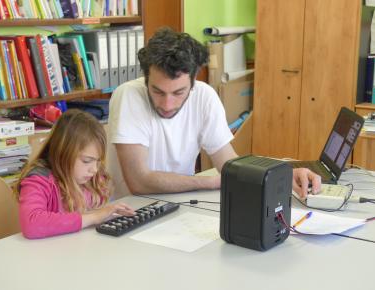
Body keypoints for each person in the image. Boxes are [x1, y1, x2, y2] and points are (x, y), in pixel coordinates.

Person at [108, 27, 320, 198]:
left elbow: (229, 163)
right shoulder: (128, 96)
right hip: (131, 212)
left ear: (193, 81)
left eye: (179, 92)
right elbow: (139, 182)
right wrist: (208, 182)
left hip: (178, 206)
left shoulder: (204, 96)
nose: (167, 104)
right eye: (157, 91)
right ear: (146, 79)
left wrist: (282, 176)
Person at [16, 109, 135, 239]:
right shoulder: (39, 180)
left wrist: (106, 213)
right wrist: (95, 217)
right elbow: (32, 225)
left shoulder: (91, 178)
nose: (94, 169)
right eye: (87, 161)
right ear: (62, 154)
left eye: (97, 161)